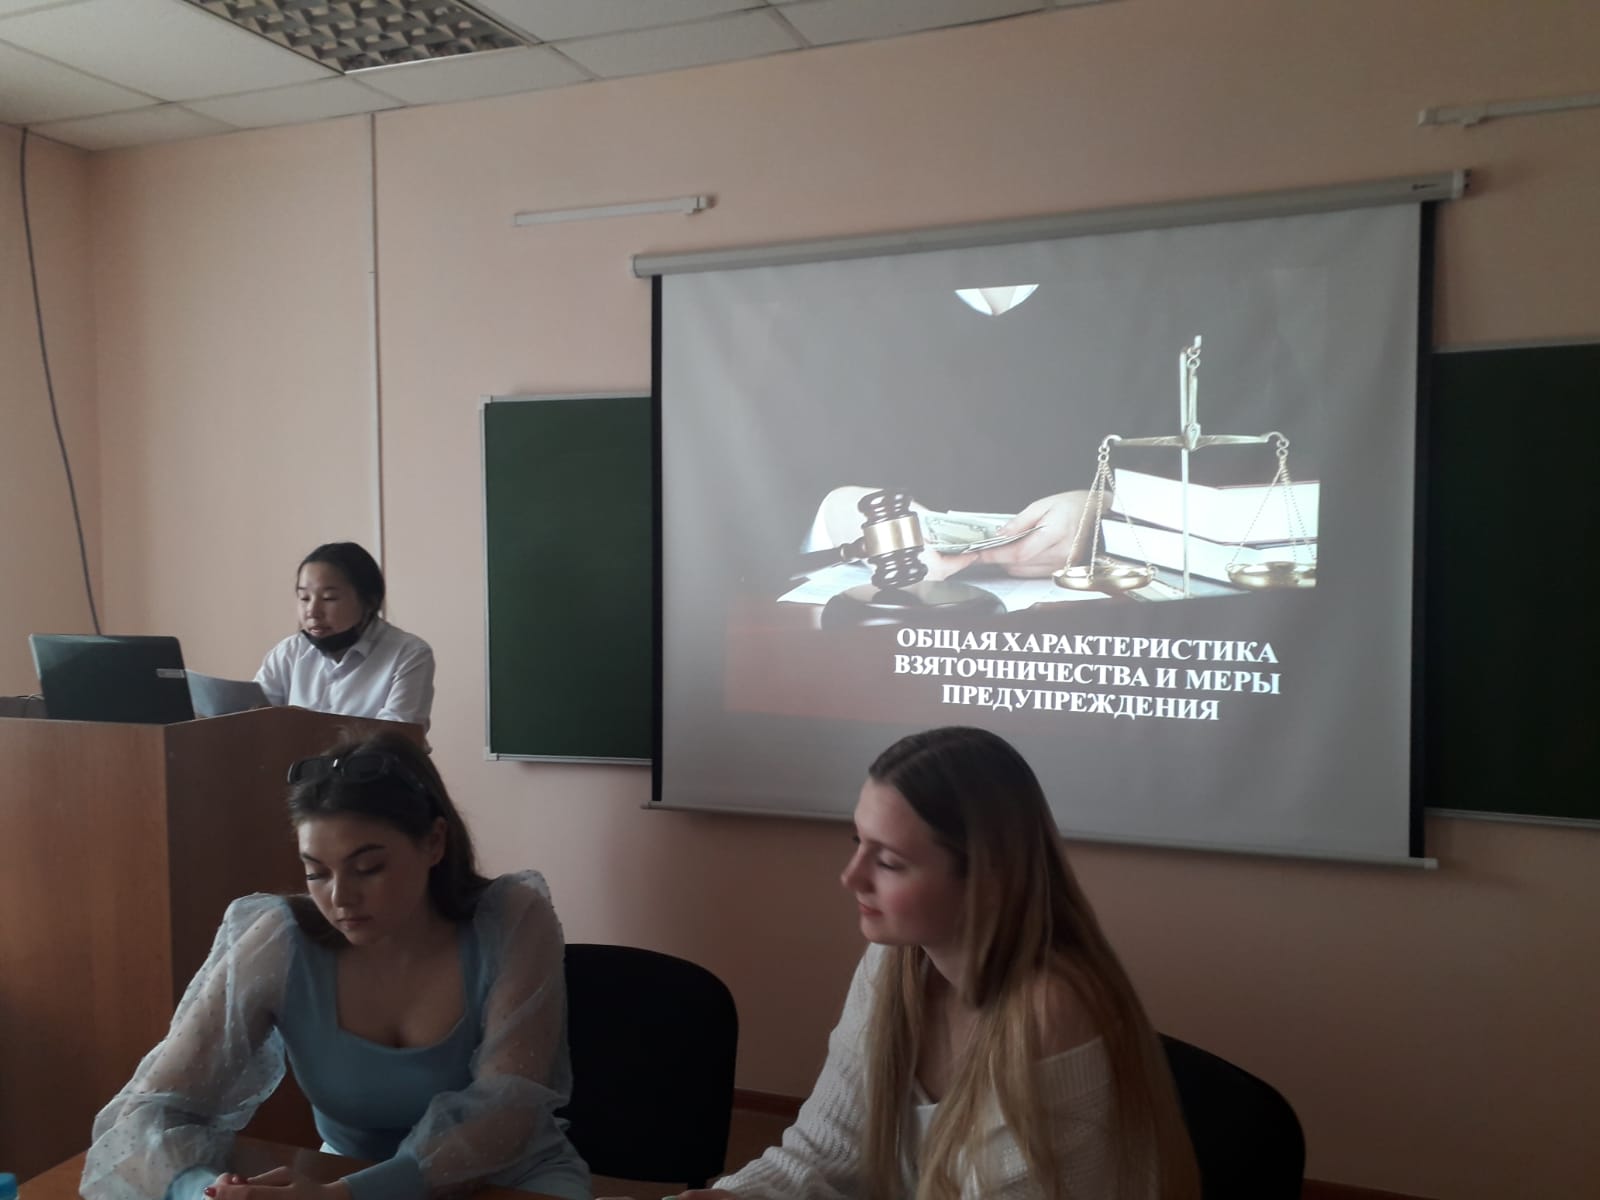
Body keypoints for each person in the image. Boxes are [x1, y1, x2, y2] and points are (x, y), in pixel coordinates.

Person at [684, 726, 1200, 1200]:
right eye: (858, 843)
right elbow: (824, 1152)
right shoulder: (892, 963)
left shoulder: (1051, 1011)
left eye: (889, 861)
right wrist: (731, 1197)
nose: (852, 876)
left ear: (987, 879)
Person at [80, 732, 589, 1200]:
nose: (341, 898)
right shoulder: (279, 941)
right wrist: (203, 1194)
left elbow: (508, 1110)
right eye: (316, 873)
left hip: (508, 1181)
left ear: (434, 842)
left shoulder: (512, 918)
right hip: (343, 1178)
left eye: (368, 868)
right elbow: (148, 1112)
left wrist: (346, 1196)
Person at [255, 543, 435, 732]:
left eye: (329, 598)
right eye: (304, 598)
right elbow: (251, 718)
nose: (312, 612)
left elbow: (395, 737)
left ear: (370, 601)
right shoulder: (288, 653)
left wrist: (305, 728)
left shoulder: (408, 654)